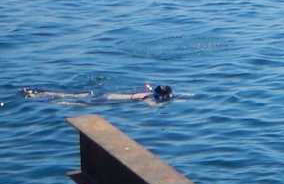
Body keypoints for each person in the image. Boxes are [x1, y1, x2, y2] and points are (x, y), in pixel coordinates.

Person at [21, 83, 173, 103]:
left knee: (74, 96)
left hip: (109, 93)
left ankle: (39, 93)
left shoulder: (149, 93)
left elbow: (149, 89)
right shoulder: (149, 99)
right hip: (109, 99)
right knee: (75, 101)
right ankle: (39, 95)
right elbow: (152, 105)